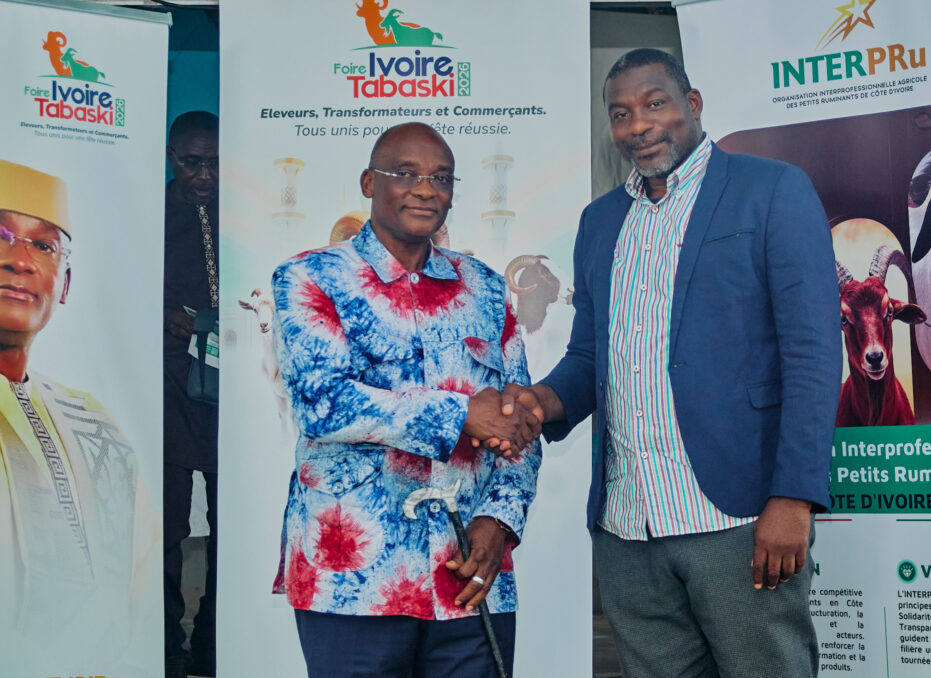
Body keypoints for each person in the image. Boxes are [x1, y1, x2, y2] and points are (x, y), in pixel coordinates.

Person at [498, 49, 841, 677]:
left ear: (694, 104)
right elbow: (589, 355)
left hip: (739, 516)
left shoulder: (771, 190)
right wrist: (542, 401)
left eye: (654, 103)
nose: (638, 126)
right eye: (620, 113)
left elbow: (813, 354)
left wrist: (794, 497)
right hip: (628, 526)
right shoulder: (600, 222)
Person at [270, 122, 542, 678]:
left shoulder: (487, 290)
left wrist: (500, 521)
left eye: (441, 178)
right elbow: (323, 403)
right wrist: (460, 414)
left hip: (466, 572)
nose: (425, 189)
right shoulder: (311, 278)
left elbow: (521, 423)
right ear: (369, 183)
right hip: (354, 579)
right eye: (406, 174)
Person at [0, 158, 158, 671]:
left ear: (64, 284)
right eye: (1, 235)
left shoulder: (94, 424)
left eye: (43, 246)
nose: (19, 261)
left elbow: (137, 585)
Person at [163, 110, 220, 678]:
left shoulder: (242, 214)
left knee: (231, 526)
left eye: (215, 164)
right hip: (167, 386)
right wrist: (163, 314)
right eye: (193, 163)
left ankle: (212, 646)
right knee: (166, 527)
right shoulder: (149, 213)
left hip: (232, 394)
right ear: (171, 157)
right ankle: (164, 649)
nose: (205, 176)